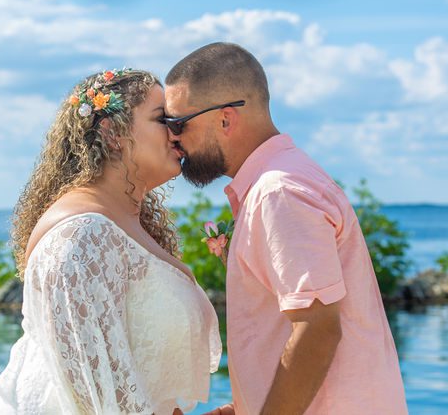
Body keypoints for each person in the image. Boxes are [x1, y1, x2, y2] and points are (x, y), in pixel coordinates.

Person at [164, 43, 408, 415]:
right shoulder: (280, 183)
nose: (173, 139)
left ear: (225, 119)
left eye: (178, 124)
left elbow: (318, 330)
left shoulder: (278, 192)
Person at [0, 69, 221, 415]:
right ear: (113, 132)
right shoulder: (81, 235)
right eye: (162, 120)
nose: (177, 131)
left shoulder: (124, 223)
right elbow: (93, 394)